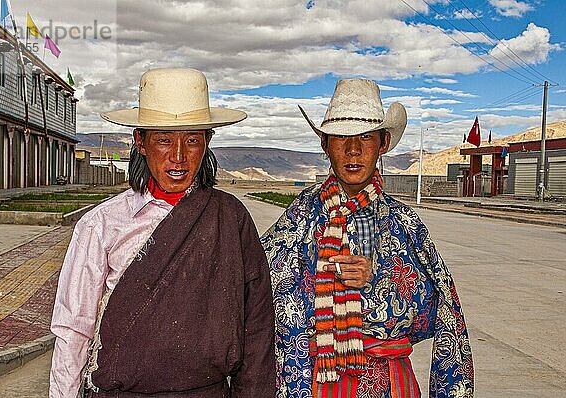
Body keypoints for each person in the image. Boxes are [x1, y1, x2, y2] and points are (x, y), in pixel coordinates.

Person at [50, 68, 275, 397]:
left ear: (208, 141)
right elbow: (74, 331)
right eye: (165, 140)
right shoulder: (101, 225)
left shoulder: (231, 218)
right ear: (140, 141)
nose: (179, 157)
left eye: (193, 140)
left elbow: (257, 326)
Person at [261, 79, 474, 398]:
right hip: (312, 383)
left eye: (365, 137)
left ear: (383, 142)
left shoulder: (405, 224)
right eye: (341, 138)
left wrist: (379, 279)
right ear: (325, 144)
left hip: (388, 385)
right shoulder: (300, 216)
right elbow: (256, 283)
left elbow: (441, 311)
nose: (353, 151)